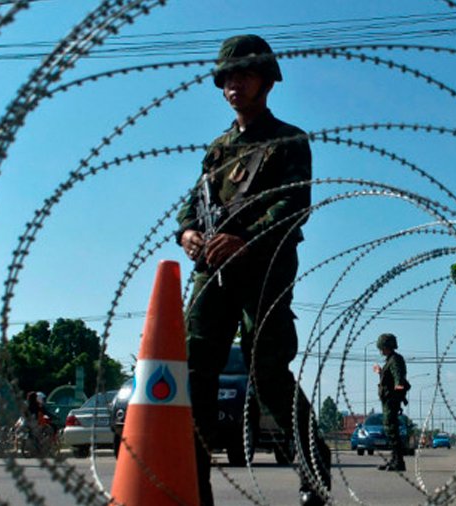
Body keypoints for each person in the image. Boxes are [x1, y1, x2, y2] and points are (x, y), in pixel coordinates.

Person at [176, 34, 330, 506]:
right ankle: (195, 484)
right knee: (194, 371)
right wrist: (188, 234)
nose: (232, 86)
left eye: (242, 75)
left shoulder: (289, 140)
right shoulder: (218, 149)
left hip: (264, 267)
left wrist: (246, 239)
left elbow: (293, 203)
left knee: (266, 370)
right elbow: (193, 202)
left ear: (266, 80)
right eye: (227, 78)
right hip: (211, 271)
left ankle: (313, 467)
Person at [372, 333, 410, 472]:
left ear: (387, 346)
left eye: (382, 347)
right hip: (388, 399)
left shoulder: (395, 360)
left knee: (391, 430)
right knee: (390, 429)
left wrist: (398, 385)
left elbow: (398, 375)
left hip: (392, 399)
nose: (381, 350)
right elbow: (389, 377)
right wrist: (380, 372)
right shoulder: (390, 359)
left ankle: (399, 461)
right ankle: (395, 460)